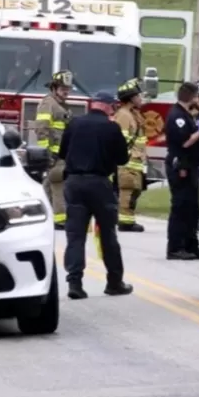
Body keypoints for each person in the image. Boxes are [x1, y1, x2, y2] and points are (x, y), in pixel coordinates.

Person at [58, 90, 133, 300]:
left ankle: (74, 283)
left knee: (75, 236)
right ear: (108, 106)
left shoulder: (74, 124)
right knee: (108, 234)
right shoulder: (111, 128)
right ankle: (114, 282)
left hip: (74, 183)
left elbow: (63, 153)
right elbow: (122, 159)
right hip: (99, 184)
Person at [164, 82, 199, 260]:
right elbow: (185, 142)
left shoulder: (187, 115)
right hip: (181, 166)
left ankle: (191, 245)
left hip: (191, 166)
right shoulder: (177, 116)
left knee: (192, 208)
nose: (198, 100)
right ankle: (175, 247)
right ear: (190, 97)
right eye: (197, 96)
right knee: (181, 207)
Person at [35, 71, 73, 229]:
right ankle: (60, 219)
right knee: (58, 182)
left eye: (68, 89)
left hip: (61, 153)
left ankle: (40, 214)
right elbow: (42, 129)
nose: (66, 92)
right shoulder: (48, 104)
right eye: (63, 88)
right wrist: (47, 153)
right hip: (54, 154)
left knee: (49, 183)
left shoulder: (59, 105)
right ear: (54, 88)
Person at [113, 78, 148, 233]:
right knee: (127, 191)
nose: (141, 99)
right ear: (131, 98)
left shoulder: (133, 114)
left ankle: (128, 219)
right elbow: (120, 141)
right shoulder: (123, 115)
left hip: (135, 161)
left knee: (134, 191)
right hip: (127, 163)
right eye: (138, 96)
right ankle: (125, 222)